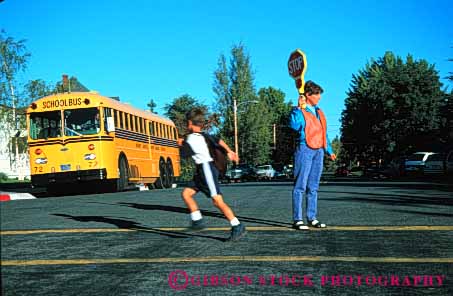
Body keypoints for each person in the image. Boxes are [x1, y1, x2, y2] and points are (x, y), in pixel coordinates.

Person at [178, 107, 246, 241]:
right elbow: (219, 140)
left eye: (187, 122)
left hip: (206, 170)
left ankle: (237, 224)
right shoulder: (203, 136)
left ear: (190, 123)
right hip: (200, 171)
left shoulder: (192, 139)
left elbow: (184, 155)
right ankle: (197, 220)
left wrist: (180, 144)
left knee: (217, 201)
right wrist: (229, 151)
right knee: (186, 194)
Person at [289, 81, 336, 230]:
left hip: (319, 151)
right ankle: (298, 219)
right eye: (317, 95)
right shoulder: (300, 111)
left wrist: (329, 150)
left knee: (313, 187)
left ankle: (312, 218)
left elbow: (324, 133)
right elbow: (294, 126)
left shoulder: (320, 112)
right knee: (300, 186)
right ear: (308, 95)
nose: (319, 97)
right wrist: (298, 108)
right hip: (304, 149)